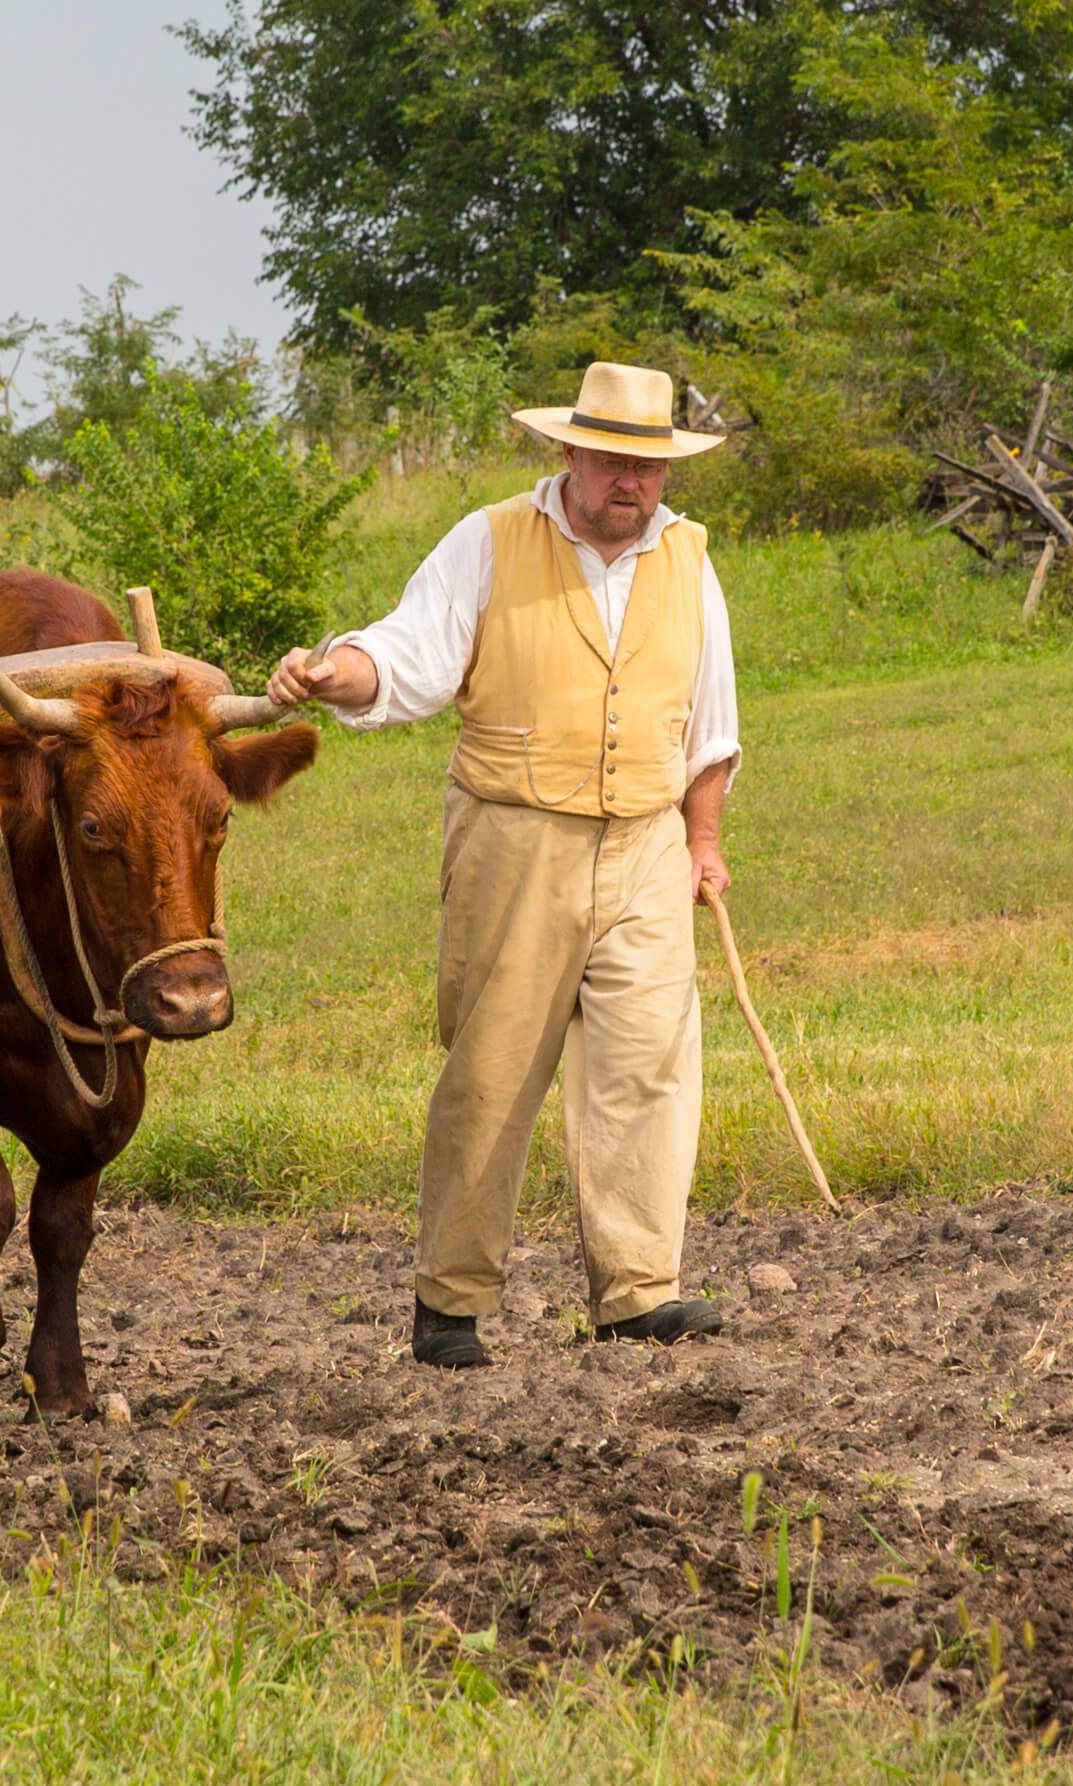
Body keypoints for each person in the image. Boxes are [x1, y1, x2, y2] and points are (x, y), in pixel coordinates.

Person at [266, 362, 740, 1367]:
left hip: (647, 842)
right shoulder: (487, 542)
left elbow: (710, 723)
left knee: (647, 1066)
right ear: (569, 452)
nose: (632, 485)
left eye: (649, 467)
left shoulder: (688, 558)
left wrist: (701, 842)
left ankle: (636, 1290)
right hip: (514, 835)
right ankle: (450, 1301)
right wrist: (331, 671)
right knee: (491, 1068)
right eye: (614, 461)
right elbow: (407, 656)